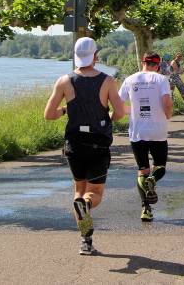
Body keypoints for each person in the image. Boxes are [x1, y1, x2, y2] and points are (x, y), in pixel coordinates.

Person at [44, 37, 125, 255]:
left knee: (79, 191)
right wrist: (107, 117)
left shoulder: (64, 81)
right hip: (98, 143)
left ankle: (85, 242)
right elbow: (119, 112)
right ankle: (87, 205)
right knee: (94, 192)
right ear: (95, 56)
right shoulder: (107, 81)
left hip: (74, 143)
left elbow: (49, 114)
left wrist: (66, 109)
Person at [119, 52, 173, 222]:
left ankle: (146, 210)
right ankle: (153, 179)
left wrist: (133, 110)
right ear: (157, 66)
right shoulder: (161, 79)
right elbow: (167, 103)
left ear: (142, 63)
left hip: (137, 132)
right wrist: (168, 114)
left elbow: (119, 105)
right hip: (157, 130)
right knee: (160, 165)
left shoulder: (130, 79)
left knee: (142, 170)